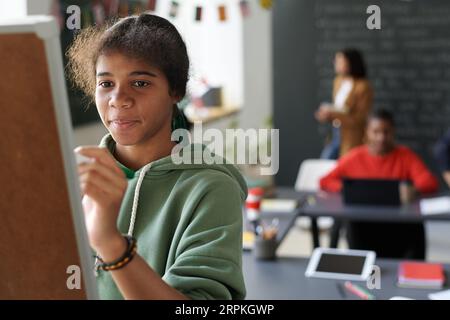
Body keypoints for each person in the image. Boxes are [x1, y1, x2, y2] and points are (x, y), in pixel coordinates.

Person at [67, 14, 246, 300]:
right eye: (106, 84)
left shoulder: (211, 188)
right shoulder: (77, 176)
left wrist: (110, 244)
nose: (118, 98)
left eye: (139, 83)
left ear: (175, 91)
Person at [320, 109, 438, 259]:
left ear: (393, 132)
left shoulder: (405, 155)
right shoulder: (355, 157)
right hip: (363, 228)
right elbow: (325, 180)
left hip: (398, 227)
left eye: (386, 132)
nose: (381, 137)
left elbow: (429, 181)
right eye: (375, 132)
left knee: (416, 226)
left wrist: (414, 189)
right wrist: (348, 188)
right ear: (366, 132)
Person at [316, 49, 373, 159]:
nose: (336, 64)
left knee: (346, 163)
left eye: (340, 61)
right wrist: (327, 115)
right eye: (336, 61)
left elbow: (359, 119)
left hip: (352, 135)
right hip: (336, 131)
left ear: (350, 63)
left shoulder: (363, 87)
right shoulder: (338, 81)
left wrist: (333, 115)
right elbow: (339, 108)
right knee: (326, 160)